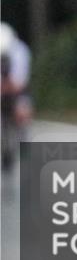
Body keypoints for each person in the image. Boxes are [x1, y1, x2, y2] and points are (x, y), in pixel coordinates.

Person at [1, 22, 33, 172]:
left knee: (22, 111)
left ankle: (24, 146)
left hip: (18, 90)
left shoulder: (20, 52)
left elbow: (19, 82)